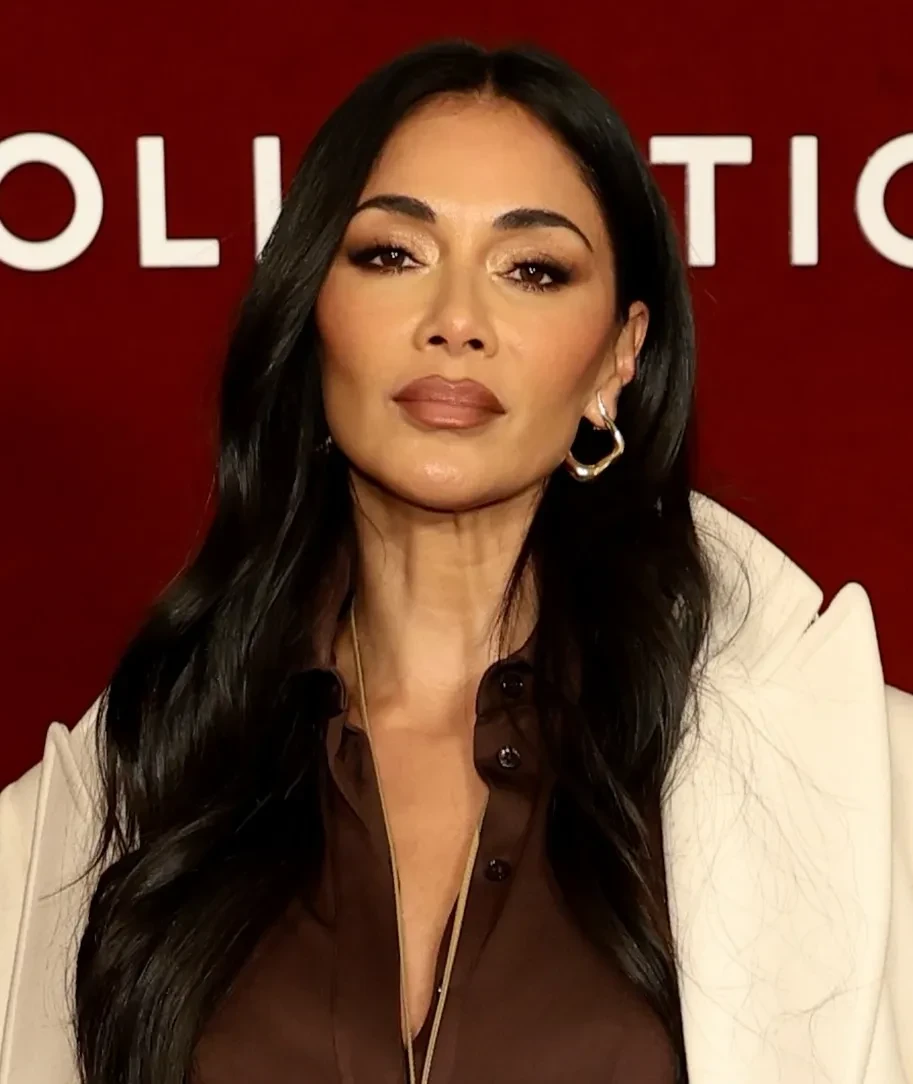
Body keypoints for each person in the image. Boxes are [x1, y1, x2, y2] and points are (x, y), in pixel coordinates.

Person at [1, 38, 910, 1084]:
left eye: (532, 270)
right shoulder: (133, 781)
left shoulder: (843, 776)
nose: (456, 323)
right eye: (393, 255)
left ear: (618, 357)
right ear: (310, 311)